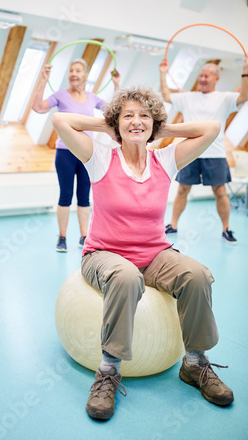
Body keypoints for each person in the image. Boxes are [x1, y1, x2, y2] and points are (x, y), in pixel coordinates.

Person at [52, 86, 233, 421]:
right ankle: (108, 371)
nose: (137, 121)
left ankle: (195, 364)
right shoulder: (100, 157)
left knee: (197, 274)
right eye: (128, 116)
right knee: (125, 276)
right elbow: (60, 119)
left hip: (155, 254)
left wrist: (162, 130)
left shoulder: (165, 159)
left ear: (155, 122)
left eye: (144, 116)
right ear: (116, 123)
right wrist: (109, 126)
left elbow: (211, 128)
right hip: (102, 254)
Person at [32, 58, 120, 252]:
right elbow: (38, 107)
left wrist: (116, 85)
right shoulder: (60, 95)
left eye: (78, 71)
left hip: (87, 154)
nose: (73, 74)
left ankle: (84, 237)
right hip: (65, 153)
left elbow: (114, 112)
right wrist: (43, 80)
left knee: (84, 197)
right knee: (65, 196)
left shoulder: (92, 97)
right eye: (71, 70)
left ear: (86, 76)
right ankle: (62, 238)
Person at [159, 58, 248, 244]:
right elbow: (166, 96)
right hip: (190, 152)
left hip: (215, 154)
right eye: (201, 75)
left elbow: (244, 96)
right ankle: (173, 225)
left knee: (220, 192)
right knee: (182, 190)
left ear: (216, 78)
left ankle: (226, 229)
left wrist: (245, 72)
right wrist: (162, 73)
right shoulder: (188, 97)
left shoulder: (224, 98)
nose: (202, 79)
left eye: (206, 76)